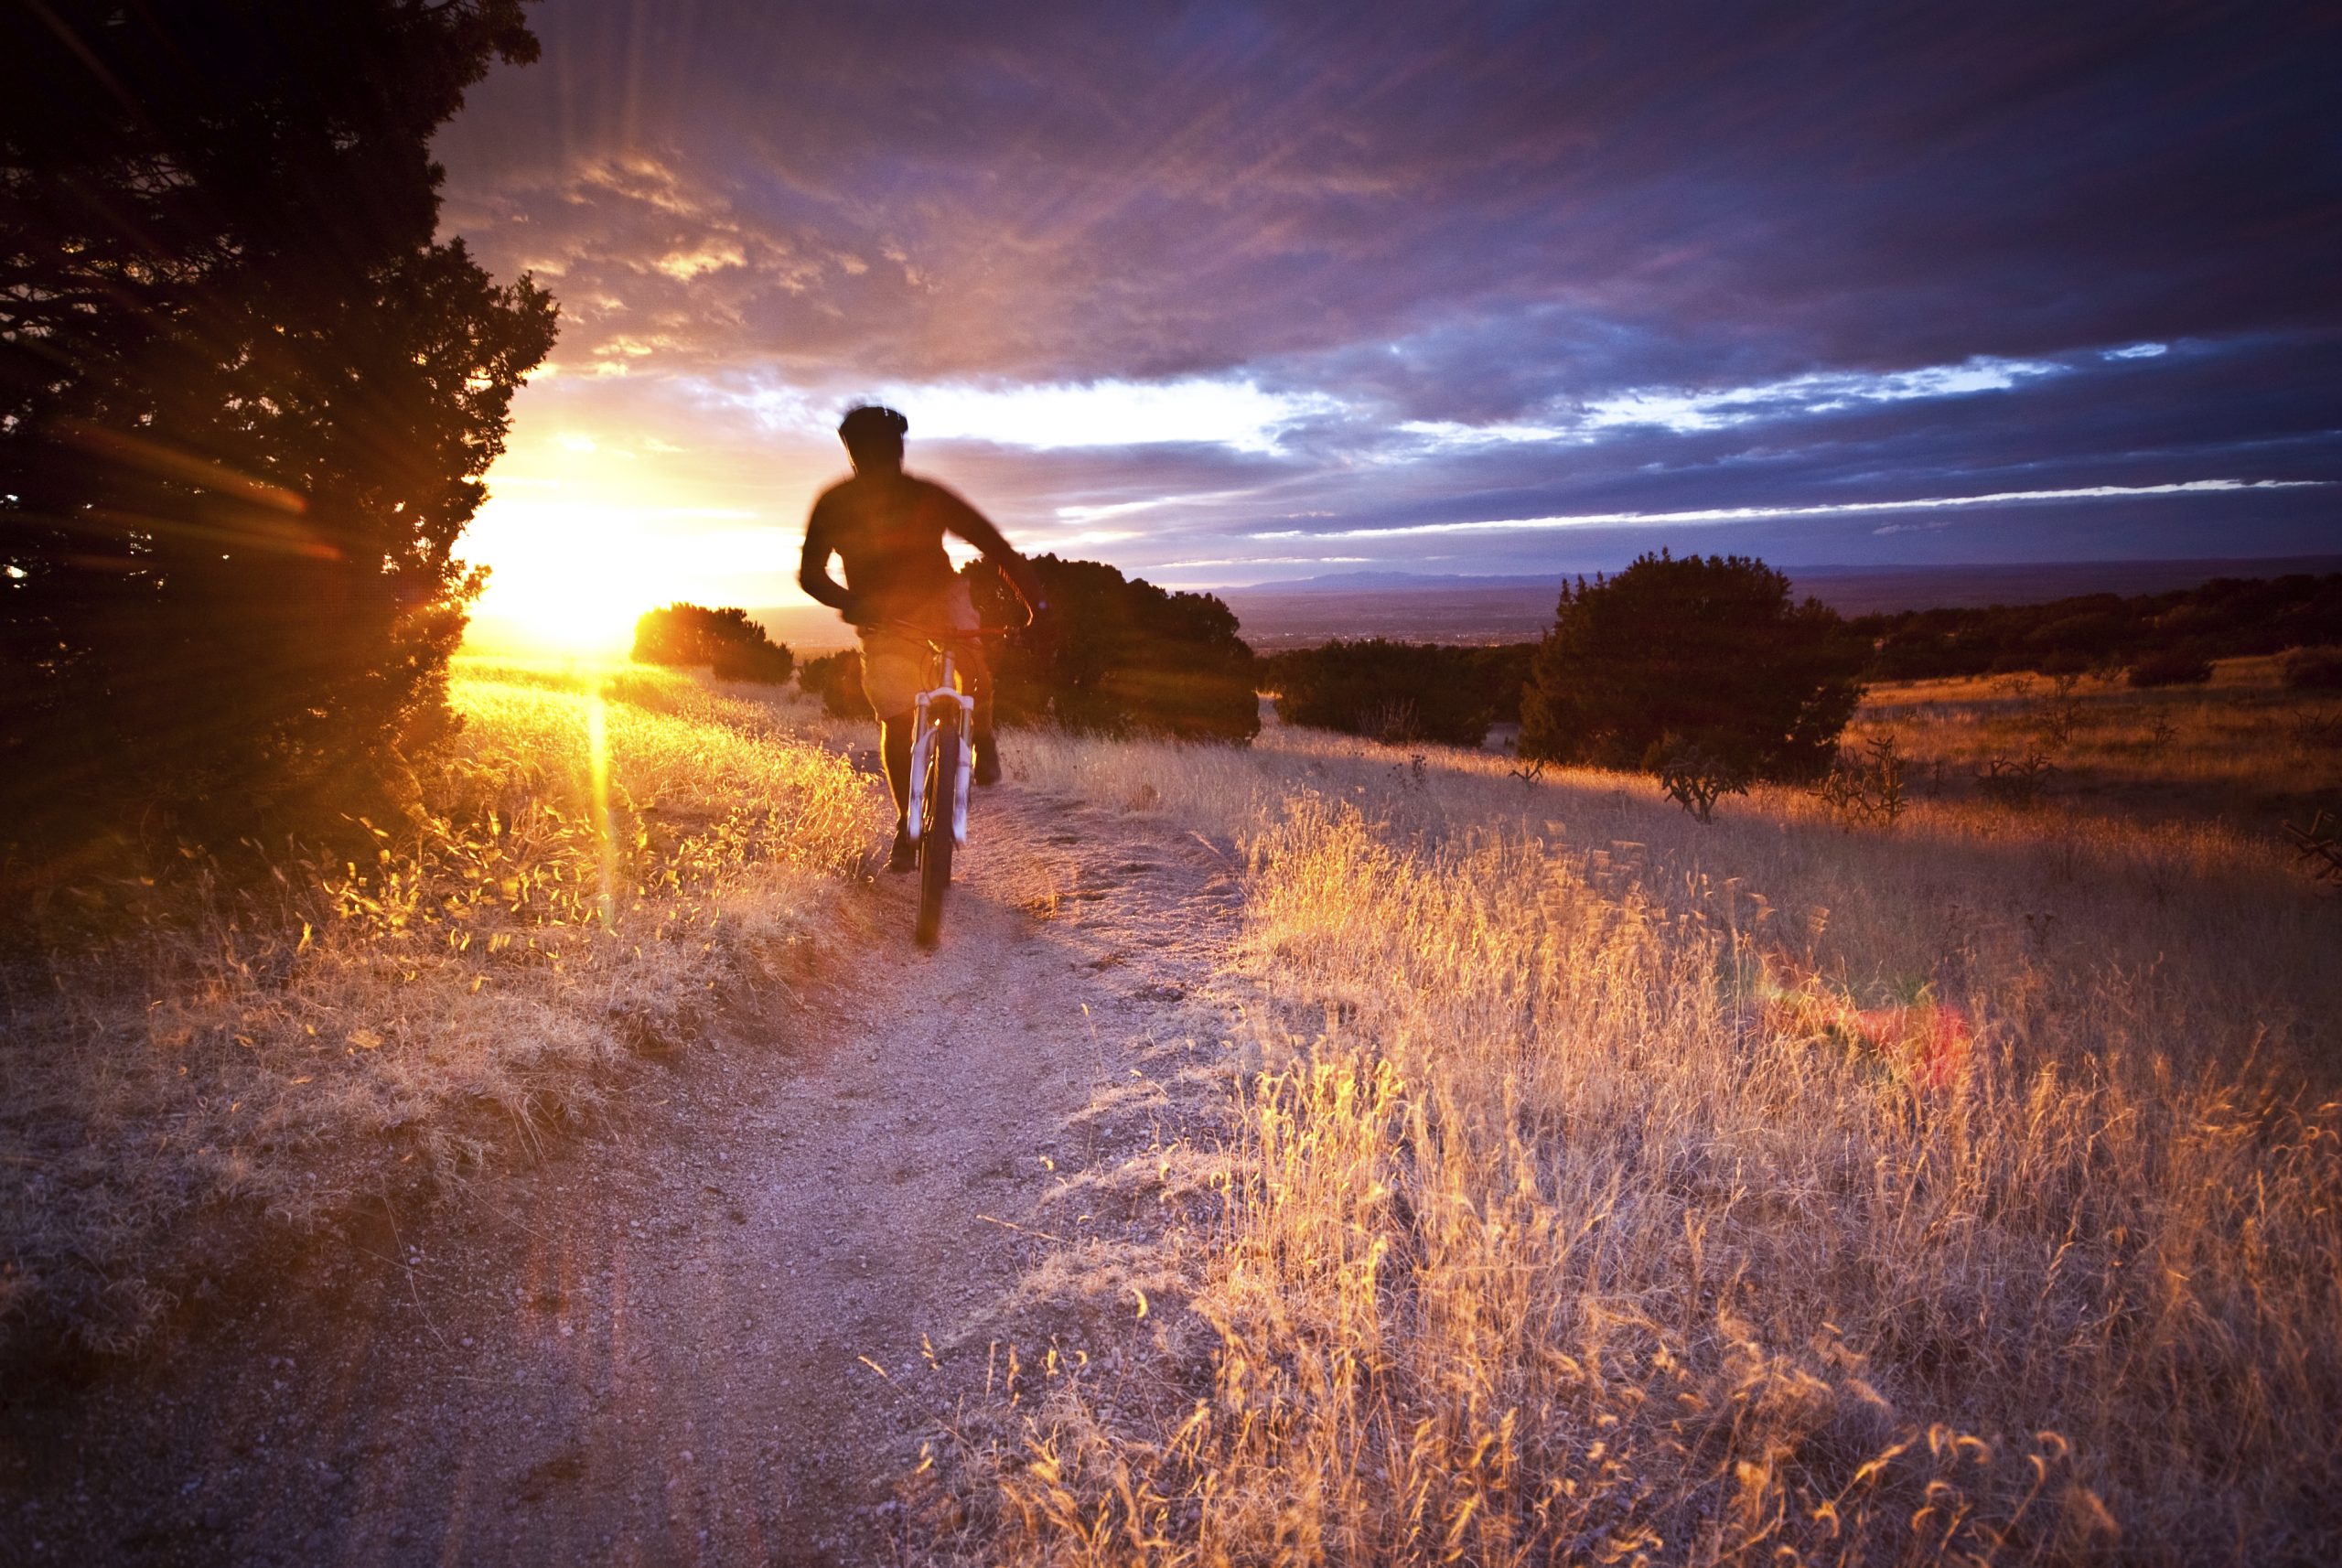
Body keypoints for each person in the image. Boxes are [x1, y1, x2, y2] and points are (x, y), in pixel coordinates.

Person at [799, 404, 1046, 871]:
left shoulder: (925, 495)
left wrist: (1038, 603)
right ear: (854, 456)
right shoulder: (834, 505)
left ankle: (983, 737)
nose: (883, 462)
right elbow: (811, 574)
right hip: (883, 614)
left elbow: (992, 543)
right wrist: (854, 604)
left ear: (899, 452)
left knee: (972, 664)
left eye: (890, 452)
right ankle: (907, 820)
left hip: (940, 595)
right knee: (897, 716)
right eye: (872, 454)